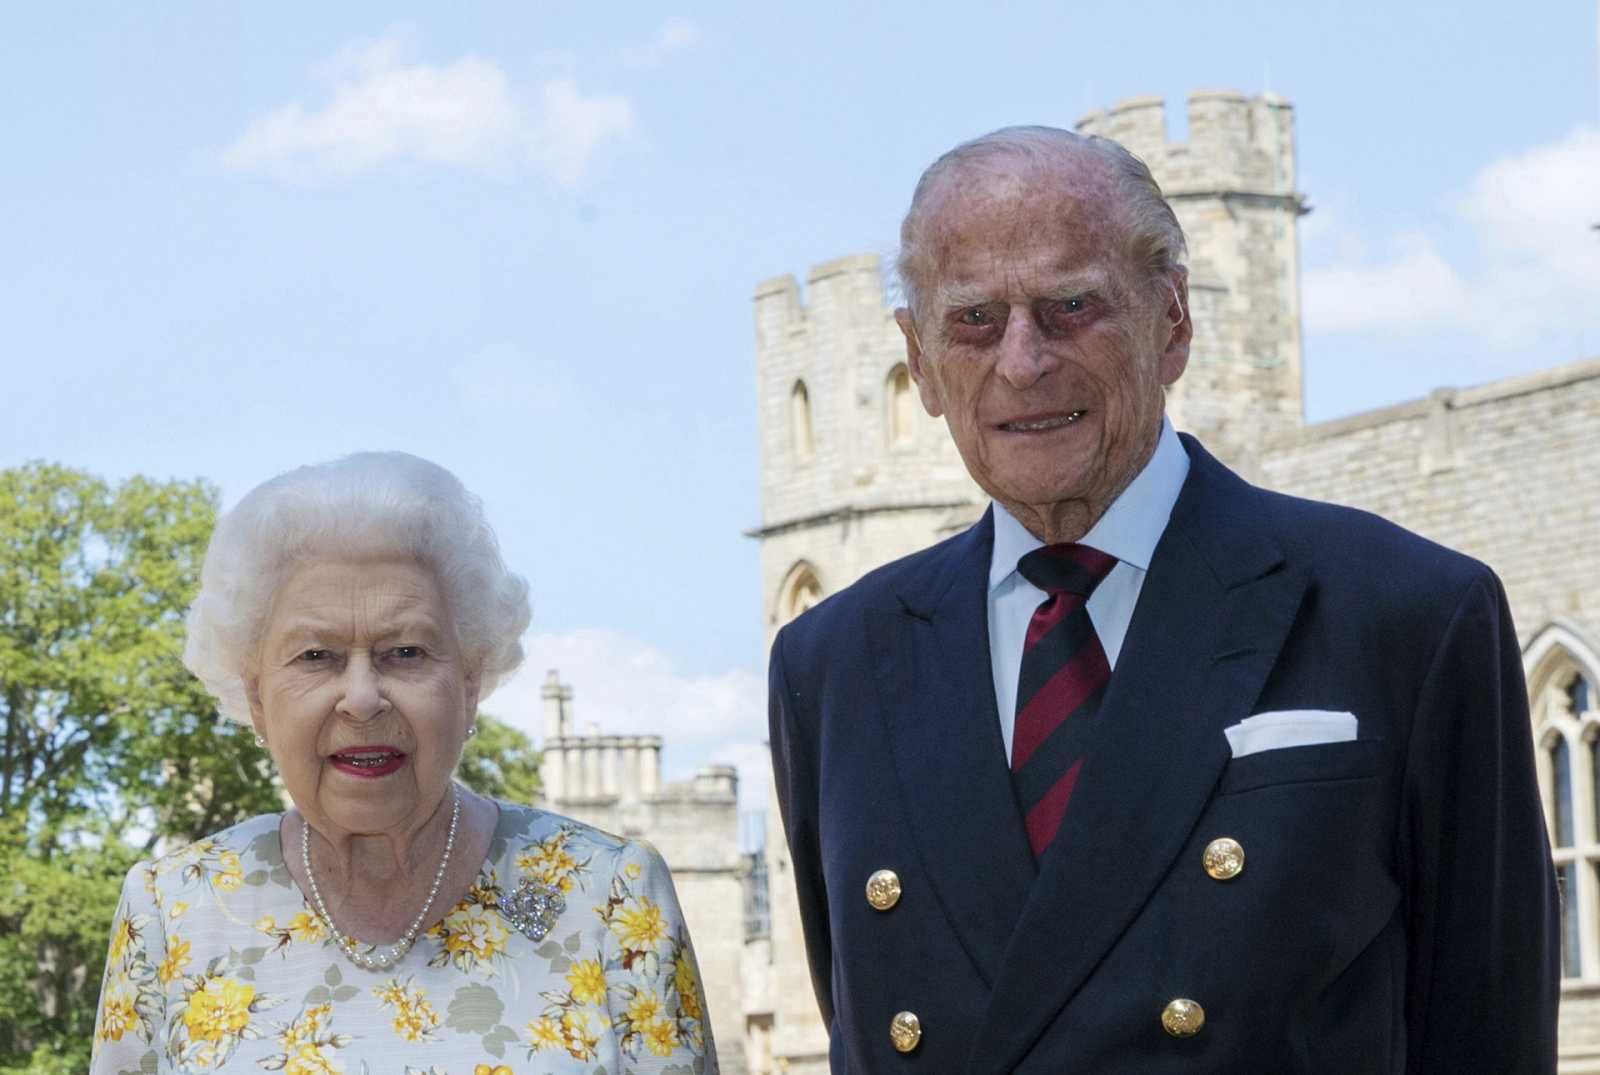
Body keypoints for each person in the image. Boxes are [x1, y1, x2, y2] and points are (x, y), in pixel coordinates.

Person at [767, 127, 1559, 1073]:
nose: (1023, 361)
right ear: (920, 362)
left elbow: (1486, 1031)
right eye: (974, 320)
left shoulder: (1408, 615)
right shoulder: (833, 663)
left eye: (1071, 305)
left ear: (1173, 322)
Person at [91, 452, 713, 1073]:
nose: (362, 698)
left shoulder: (611, 896)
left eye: (405, 652)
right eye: (316, 656)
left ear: (469, 682)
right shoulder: (170, 911)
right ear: (257, 697)